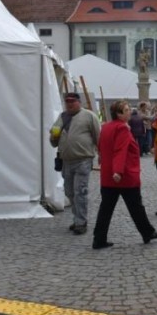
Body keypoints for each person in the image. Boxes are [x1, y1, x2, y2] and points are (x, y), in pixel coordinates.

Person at [91, 100, 157, 249]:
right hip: (123, 176)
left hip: (108, 176)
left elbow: (101, 146)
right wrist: (118, 171)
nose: (130, 111)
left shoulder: (106, 127)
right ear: (119, 114)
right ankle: (147, 232)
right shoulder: (122, 128)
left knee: (106, 209)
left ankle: (99, 239)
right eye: (126, 110)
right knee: (136, 207)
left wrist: (106, 164)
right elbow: (120, 150)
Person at [49, 92, 100, 235]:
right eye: (67, 102)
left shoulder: (89, 116)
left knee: (80, 192)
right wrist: (54, 136)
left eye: (73, 101)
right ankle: (77, 218)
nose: (70, 104)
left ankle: (81, 222)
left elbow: (98, 137)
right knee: (70, 192)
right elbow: (53, 142)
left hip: (83, 159)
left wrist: (101, 154)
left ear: (79, 102)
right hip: (66, 161)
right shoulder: (62, 117)